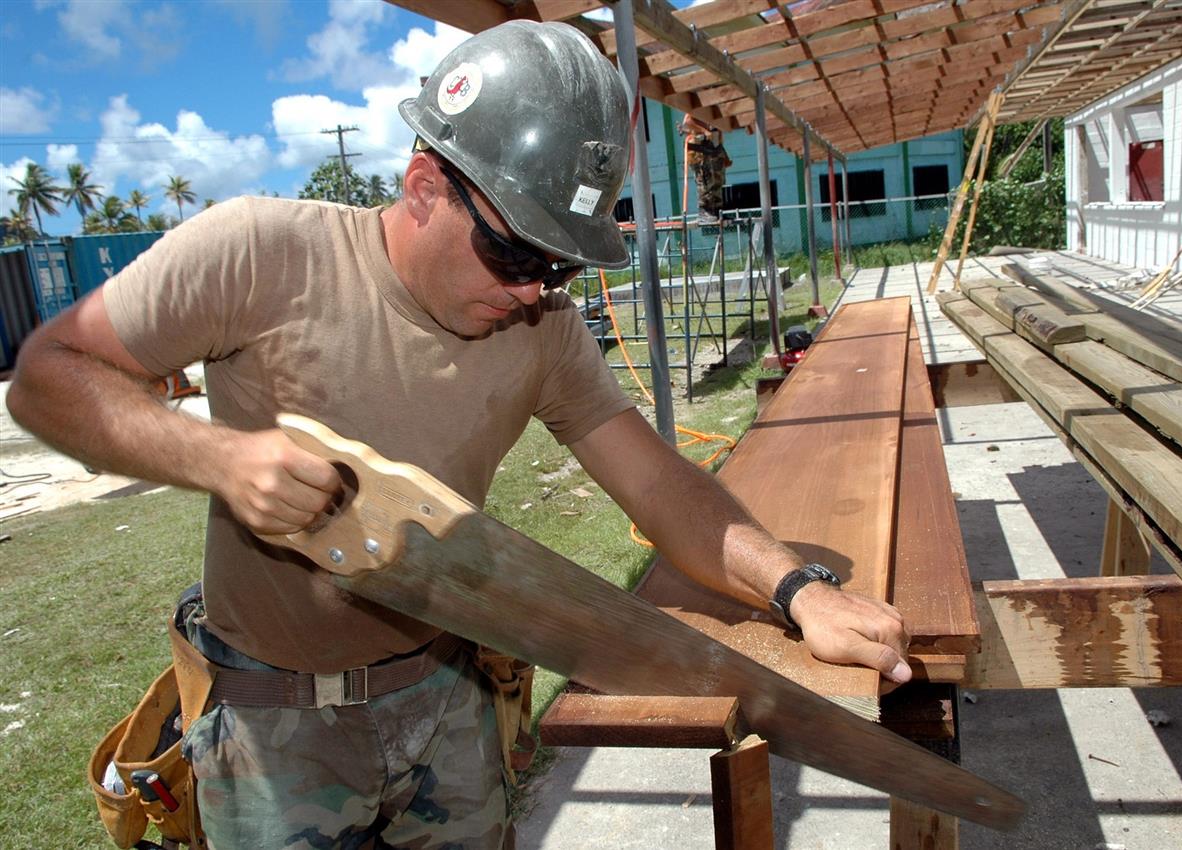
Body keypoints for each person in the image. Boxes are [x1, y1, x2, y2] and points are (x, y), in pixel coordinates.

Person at [7, 20, 909, 850]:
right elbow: (49, 375)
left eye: (557, 266)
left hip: (446, 695)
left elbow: (659, 485)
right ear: (425, 186)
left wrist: (797, 590)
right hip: (272, 721)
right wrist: (219, 458)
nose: (532, 291)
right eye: (518, 255)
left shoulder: (542, 330)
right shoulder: (258, 253)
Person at [681, 112, 732, 225]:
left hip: (715, 150)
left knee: (717, 181)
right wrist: (704, 131)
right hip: (700, 150)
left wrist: (724, 156)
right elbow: (687, 122)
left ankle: (717, 210)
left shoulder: (715, 112)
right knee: (705, 181)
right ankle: (705, 211)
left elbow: (718, 137)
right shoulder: (698, 108)